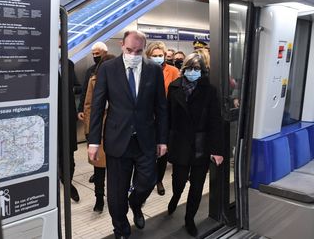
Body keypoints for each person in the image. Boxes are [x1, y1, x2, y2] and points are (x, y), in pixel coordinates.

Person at [88, 30, 168, 239]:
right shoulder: (107, 69)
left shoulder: (153, 70)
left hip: (145, 139)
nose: (133, 54)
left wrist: (162, 139)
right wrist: (93, 141)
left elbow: (161, 107)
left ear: (144, 49)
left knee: (147, 181)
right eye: (130, 49)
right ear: (122, 46)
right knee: (115, 197)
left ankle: (136, 203)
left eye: (139, 51)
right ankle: (121, 231)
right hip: (117, 140)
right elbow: (97, 106)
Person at [166, 53, 224, 237]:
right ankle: (175, 196)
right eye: (190, 68)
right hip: (180, 142)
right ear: (184, 69)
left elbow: (215, 121)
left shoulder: (209, 90)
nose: (193, 72)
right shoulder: (174, 88)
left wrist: (217, 150)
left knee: (197, 186)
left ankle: (189, 219)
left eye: (197, 69)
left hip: (201, 144)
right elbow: (167, 117)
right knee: (179, 180)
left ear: (203, 71)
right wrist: (164, 142)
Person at [145, 41, 180, 196]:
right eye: (154, 56)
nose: (158, 58)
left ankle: (158, 180)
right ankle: (146, 180)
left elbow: (177, 93)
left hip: (165, 116)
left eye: (160, 55)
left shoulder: (172, 71)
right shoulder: (144, 70)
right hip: (146, 116)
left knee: (162, 151)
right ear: (148, 56)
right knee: (146, 150)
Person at [83, 54, 116, 212]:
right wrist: (89, 131)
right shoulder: (94, 81)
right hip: (100, 131)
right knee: (99, 168)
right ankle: (99, 199)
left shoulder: (123, 80)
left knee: (117, 169)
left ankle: (115, 198)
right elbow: (88, 106)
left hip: (117, 130)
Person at [77, 41, 108, 183]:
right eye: (93, 54)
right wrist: (80, 109)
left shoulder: (115, 70)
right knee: (98, 153)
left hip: (112, 122)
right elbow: (86, 93)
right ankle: (98, 176)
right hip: (97, 120)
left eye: (97, 54)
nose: (95, 56)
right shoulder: (91, 72)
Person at [58, 47, 80, 202]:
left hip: (68, 116)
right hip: (51, 117)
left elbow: (77, 85)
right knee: (56, 154)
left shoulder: (69, 64)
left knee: (69, 155)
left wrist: (72, 88)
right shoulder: (43, 64)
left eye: (61, 47)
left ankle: (68, 183)